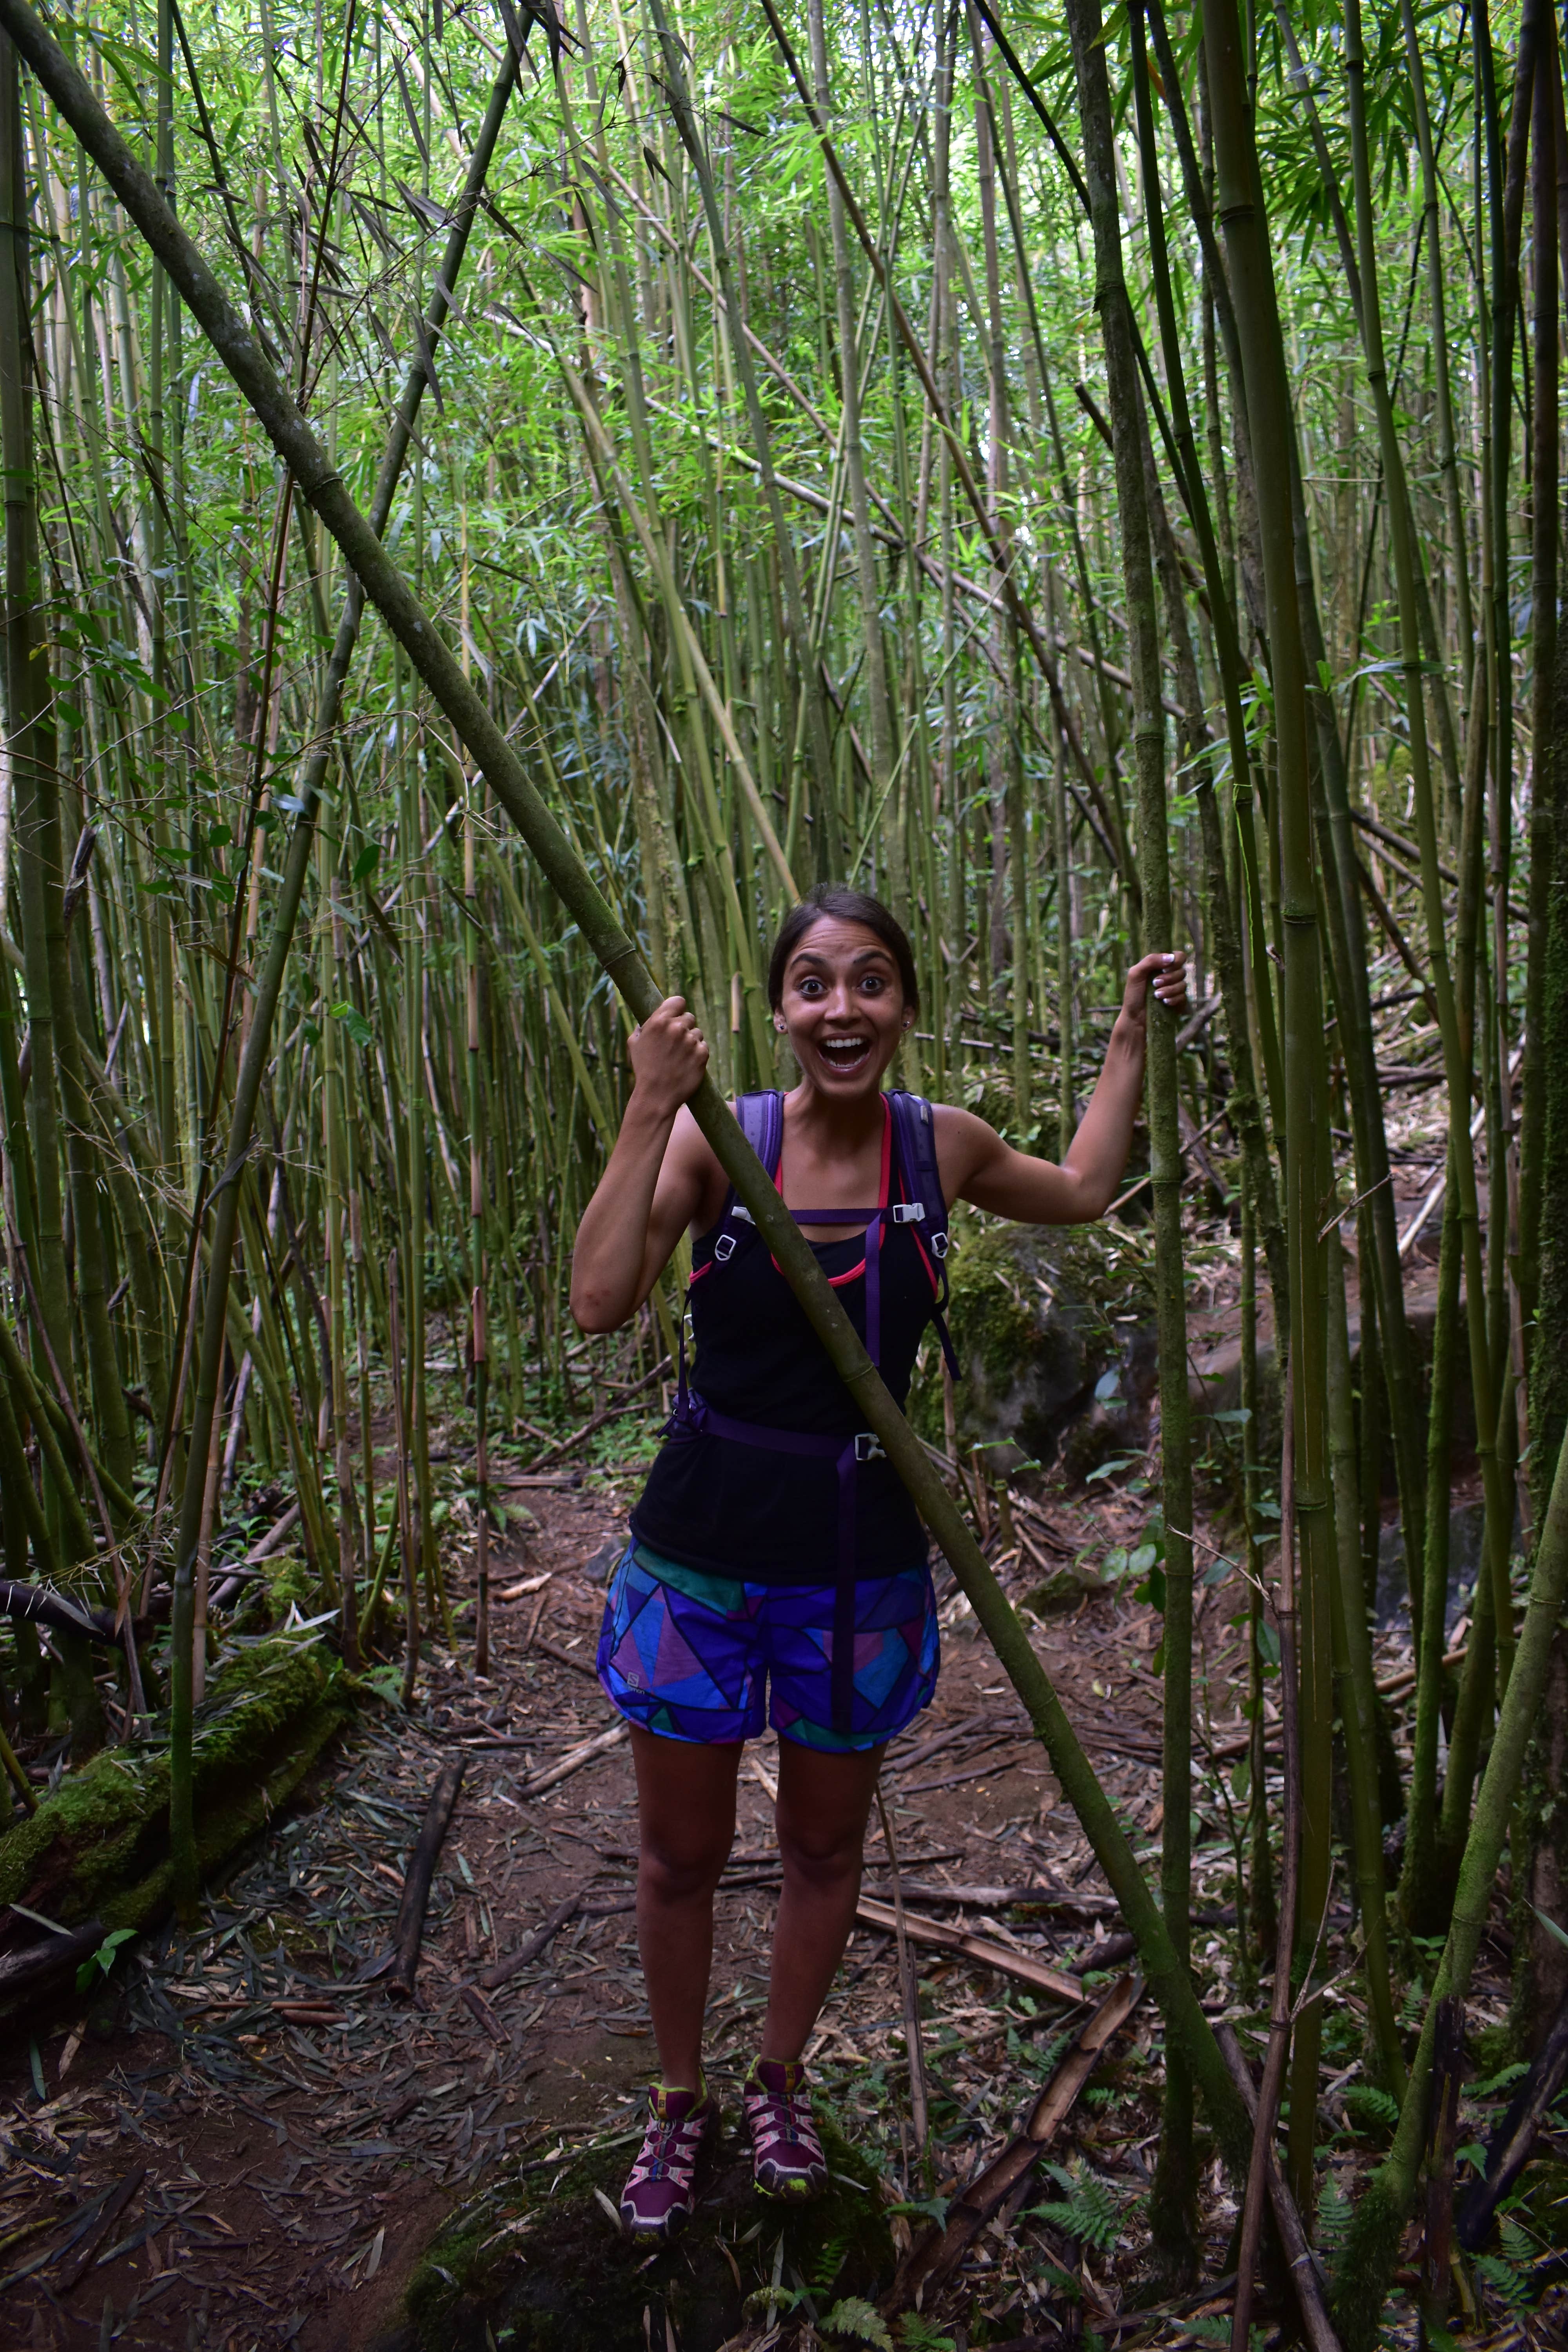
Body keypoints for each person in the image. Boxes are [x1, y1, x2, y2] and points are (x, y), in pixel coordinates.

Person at [570, 884, 1187, 2243]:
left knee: (823, 1845)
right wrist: (645, 1105)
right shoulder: (719, 1141)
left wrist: (1132, 1036)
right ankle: (680, 2101)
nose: (839, 1009)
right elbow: (601, 1298)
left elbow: (1083, 1190)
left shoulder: (940, 1145)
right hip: (699, 1557)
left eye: (869, 983)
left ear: (906, 1004)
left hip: (861, 1560)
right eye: (810, 984)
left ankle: (779, 2077)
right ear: (780, 1008)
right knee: (680, 1857)